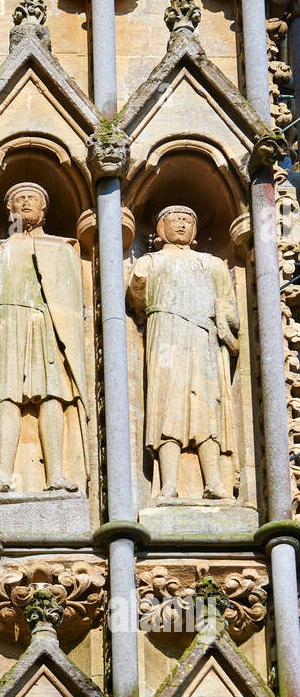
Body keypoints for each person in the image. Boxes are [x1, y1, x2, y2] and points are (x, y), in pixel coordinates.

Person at [0, 182, 88, 494]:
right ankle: (1, 475)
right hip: (9, 324)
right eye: (18, 198)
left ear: (44, 209)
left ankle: (56, 474)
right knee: (6, 398)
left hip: (46, 323)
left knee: (53, 394)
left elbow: (73, 309)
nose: (25, 202)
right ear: (10, 210)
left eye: (32, 198)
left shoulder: (63, 248)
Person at [127, 205, 239, 501]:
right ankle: (168, 485)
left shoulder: (213, 264)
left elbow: (231, 309)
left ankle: (214, 482)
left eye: (188, 219)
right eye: (173, 219)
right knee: (167, 408)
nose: (181, 223)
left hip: (202, 340)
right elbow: (136, 298)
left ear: (195, 230)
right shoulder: (150, 262)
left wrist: (224, 315)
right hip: (165, 337)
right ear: (160, 229)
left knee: (207, 410)